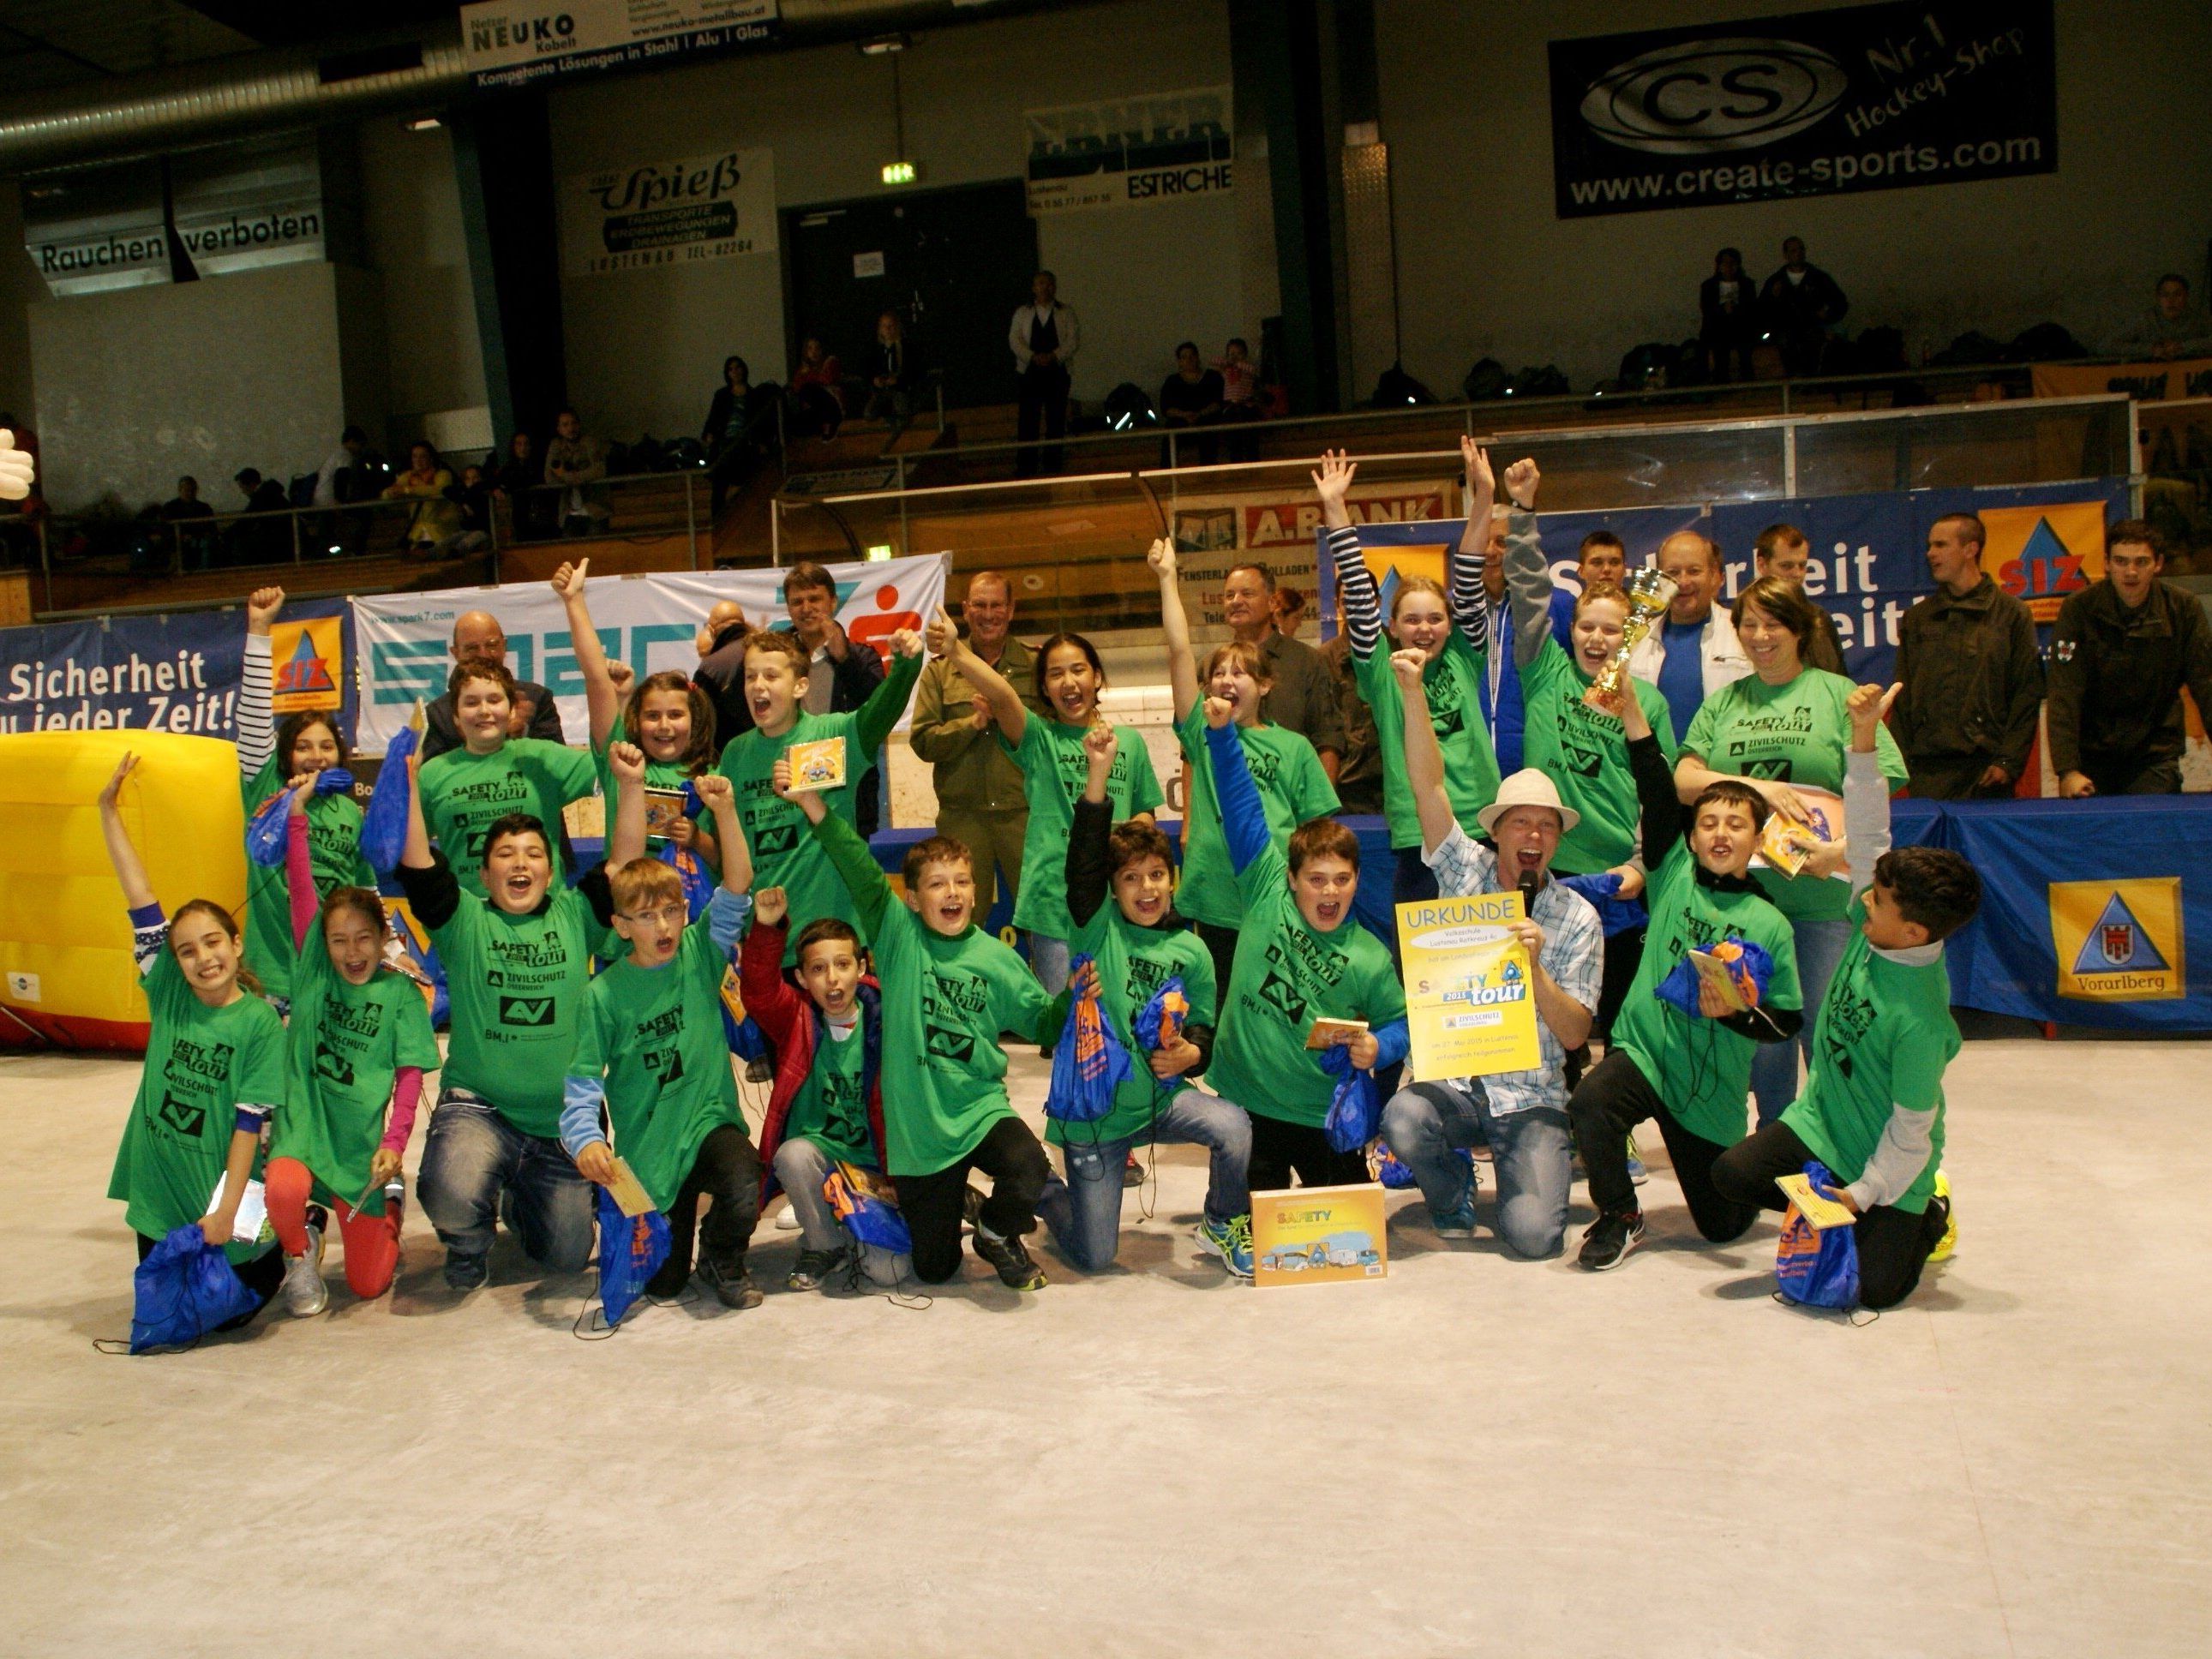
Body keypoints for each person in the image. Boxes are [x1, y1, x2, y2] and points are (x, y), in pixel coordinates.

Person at [1712, 682, 1973, 1310]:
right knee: (1730, 1177)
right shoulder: (1883, 920)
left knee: (1876, 1294)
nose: (1860, 899)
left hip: (1888, 1159)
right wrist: (1861, 736)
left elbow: (1911, 1133)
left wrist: (1859, 1195)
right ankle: (1840, 1195)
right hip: (1821, 1124)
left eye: (1876, 902)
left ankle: (1928, 1210)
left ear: (1912, 932)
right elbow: (1867, 827)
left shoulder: (1919, 1023)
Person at [790, 758, 1058, 1290]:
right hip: (919, 1135)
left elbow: (1045, 1026)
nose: (952, 892)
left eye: (962, 881)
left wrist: (1077, 993)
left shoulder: (997, 959)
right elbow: (857, 866)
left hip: (977, 1110)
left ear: (977, 891)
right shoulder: (898, 937)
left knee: (1029, 1166)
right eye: (937, 885)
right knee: (935, 1270)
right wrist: (812, 806)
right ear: (913, 899)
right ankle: (956, 1195)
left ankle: (998, 1232)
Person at [1568, 686, 1803, 1271]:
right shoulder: (1671, 868)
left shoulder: (1770, 922)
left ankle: (1764, 1165)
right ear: (1691, 835)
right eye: (1708, 823)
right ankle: (1619, 1215)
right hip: (1647, 1054)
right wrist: (1630, 713)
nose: (1720, 834)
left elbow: (1787, 1021)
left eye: (1736, 825)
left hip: (1708, 1091)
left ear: (1756, 841)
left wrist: (1741, 1013)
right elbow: (1652, 777)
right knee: (1592, 1099)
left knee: (1722, 1229)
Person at [1381, 644, 1602, 1259]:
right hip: (1455, 1080)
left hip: (1530, 1096)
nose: (1532, 836)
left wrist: (1533, 969)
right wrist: (1411, 692)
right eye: (1520, 823)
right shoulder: (1462, 871)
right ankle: (1451, 1188)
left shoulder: (1577, 917)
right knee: (1401, 1119)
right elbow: (1426, 783)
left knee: (1532, 1240)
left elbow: (1577, 1032)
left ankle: (1524, 1173)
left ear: (1557, 839)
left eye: (1546, 826)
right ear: (1497, 830)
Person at [1676, 577, 1909, 1125]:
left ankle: (1837, 1145)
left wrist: (1845, 855)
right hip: (1747, 905)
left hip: (1824, 904)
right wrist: (1757, 788)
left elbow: (1886, 787)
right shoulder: (1725, 703)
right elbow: (1686, 780)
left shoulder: (1836, 694)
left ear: (1801, 630)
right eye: (1748, 624)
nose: (1759, 636)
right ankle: (1775, 1149)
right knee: (1763, 1042)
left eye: (1773, 624)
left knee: (1830, 1035)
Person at [1034, 724, 1253, 1276]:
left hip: (1162, 1101)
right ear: (1112, 889)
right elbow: (1083, 861)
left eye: (1157, 874)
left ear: (1172, 879)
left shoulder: (1192, 950)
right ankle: (1045, 1191)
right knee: (1095, 1256)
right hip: (1097, 1119)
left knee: (1234, 1125)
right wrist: (1099, 774)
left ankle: (1224, 1220)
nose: (1147, 888)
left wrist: (1191, 1055)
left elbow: (1203, 1024)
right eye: (1131, 878)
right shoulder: (1095, 929)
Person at [397, 749, 608, 1291]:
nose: (520, 863)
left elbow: (625, 863)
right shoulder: (465, 920)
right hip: (481, 1109)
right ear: (485, 873)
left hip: (560, 1121)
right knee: (448, 1191)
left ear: (551, 868)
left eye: (534, 853)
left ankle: (519, 1196)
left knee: (566, 1256)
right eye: (506, 855)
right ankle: (468, 1241)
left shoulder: (574, 913)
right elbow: (420, 866)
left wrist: (628, 785)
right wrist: (410, 786)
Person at [562, 750, 763, 1309]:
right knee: (661, 1283)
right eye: (646, 916)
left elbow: (738, 885)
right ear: (621, 927)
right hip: (648, 1156)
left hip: (707, 1126)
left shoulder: (699, 951)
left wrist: (724, 811)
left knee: (744, 1180)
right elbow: (581, 1084)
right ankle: (671, 1244)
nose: (664, 925)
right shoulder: (602, 994)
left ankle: (722, 1257)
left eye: (672, 910)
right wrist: (585, 1140)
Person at [99, 752, 289, 1326]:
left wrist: (227, 1211)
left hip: (224, 1179)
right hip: (161, 1180)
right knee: (169, 1311)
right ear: (174, 963)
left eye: (213, 943)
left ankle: (297, 1228)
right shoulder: (169, 993)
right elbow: (139, 897)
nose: (203, 958)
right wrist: (107, 811)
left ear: (235, 943)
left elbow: (247, 1127)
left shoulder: (258, 1021)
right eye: (187, 950)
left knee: (232, 1313)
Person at [1498, 461, 1675, 1068]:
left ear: (1628, 636)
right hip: (1550, 869)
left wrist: (1638, 866)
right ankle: (1553, 1114)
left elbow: (1661, 797)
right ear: (1568, 630)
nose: (1595, 640)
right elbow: (1525, 591)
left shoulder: (1646, 702)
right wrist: (1521, 512)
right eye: (1585, 627)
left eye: (1609, 630)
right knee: (1550, 1008)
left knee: (1621, 1013)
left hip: (1617, 881)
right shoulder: (1543, 672)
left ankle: (1611, 1124)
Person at [1202, 696, 1408, 1191]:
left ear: (1358, 879)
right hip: (1248, 1105)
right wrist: (1222, 734)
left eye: (1342, 879)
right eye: (1317, 879)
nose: (1330, 891)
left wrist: (1380, 1046)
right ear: (1293, 879)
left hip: (1323, 1113)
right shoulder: (1265, 885)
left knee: (1350, 1240)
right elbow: (1241, 802)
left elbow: (1404, 1024)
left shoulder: (1370, 956)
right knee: (1254, 1240)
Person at [267, 781, 440, 1315]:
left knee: (367, 1285)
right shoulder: (313, 973)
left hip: (359, 1150)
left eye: (363, 937)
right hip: (302, 1129)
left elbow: (410, 1080)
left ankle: (385, 1204)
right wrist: (296, 819)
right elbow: (302, 891)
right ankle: (299, 1253)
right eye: (338, 940)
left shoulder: (400, 997)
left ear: (382, 937)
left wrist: (394, 1141)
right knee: (282, 1192)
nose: (351, 950)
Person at [930, 614, 1162, 997]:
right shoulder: (1039, 739)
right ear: (1044, 688)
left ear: (1097, 678)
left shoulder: (1129, 743)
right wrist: (956, 650)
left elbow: (1145, 815)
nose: (1068, 682)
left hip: (1120, 904)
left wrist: (1131, 832)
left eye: (1078, 670)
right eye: (1055, 674)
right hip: (1054, 907)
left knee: (1123, 1020)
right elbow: (1003, 696)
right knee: (1065, 1024)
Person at [1152, 538, 1339, 993]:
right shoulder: (1202, 732)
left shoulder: (1292, 747)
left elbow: (1317, 830)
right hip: (1215, 893)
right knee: (1217, 1003)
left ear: (1266, 684)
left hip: (1274, 894)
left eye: (1239, 673)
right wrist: (1167, 579)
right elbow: (1178, 650)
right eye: (1218, 673)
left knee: (1272, 1001)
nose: (1226, 681)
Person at [1324, 445, 1500, 909]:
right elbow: (1361, 598)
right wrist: (1335, 509)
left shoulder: (1465, 655)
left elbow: (1469, 571)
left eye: (1436, 619)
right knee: (1426, 970)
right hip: (1417, 829)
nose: (1425, 629)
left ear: (1451, 623)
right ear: (1394, 626)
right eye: (1413, 620)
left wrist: (1484, 497)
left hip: (1482, 825)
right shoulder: (1381, 669)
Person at [712, 620, 924, 963]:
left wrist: (907, 665)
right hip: (768, 944)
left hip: (833, 944)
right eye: (750, 676)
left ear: (800, 686)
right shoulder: (735, 754)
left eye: (771, 675)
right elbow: (727, 852)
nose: (758, 686)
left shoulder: (833, 737)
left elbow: (881, 712)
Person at [743, 889, 903, 1292]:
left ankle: (860, 1226)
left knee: (889, 1273)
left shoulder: (888, 1018)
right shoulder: (794, 1018)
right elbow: (758, 990)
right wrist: (766, 928)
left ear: (862, 967)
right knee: (791, 1155)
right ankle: (823, 1243)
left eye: (843, 965)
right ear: (800, 978)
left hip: (875, 1169)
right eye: (817, 969)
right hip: (820, 1159)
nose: (832, 979)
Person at [237, 587, 375, 1008]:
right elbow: (255, 718)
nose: (316, 756)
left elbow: (366, 889)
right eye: (303, 746)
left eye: (326, 746)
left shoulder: (351, 811)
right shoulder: (266, 792)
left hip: (333, 971)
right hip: (274, 976)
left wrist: (386, 951)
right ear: (285, 756)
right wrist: (259, 629)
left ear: (340, 754)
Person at [553, 560, 721, 887]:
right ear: (637, 720)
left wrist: (697, 837)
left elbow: (724, 862)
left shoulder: (711, 776)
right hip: (627, 915)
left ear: (694, 719)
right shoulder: (623, 762)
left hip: (691, 917)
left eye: (675, 715)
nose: (664, 726)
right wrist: (574, 600)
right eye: (652, 716)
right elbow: (596, 678)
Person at [908, 571, 1045, 921]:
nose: (988, 614)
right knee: (958, 919)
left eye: (997, 605)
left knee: (1043, 919)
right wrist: (971, 725)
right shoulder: (939, 672)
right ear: (965, 610)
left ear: (1011, 609)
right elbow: (923, 741)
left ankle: (1052, 980)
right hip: (963, 819)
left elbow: (1053, 734)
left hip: (1026, 815)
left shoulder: (1036, 664)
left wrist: (1013, 717)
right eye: (979, 605)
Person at [2048, 518, 2212, 797]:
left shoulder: (2183, 609)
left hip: (2154, 754)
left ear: (2158, 564)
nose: (2131, 572)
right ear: (2107, 564)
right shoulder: (2079, 609)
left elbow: (2206, 685)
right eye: (2121, 562)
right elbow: (2064, 694)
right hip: (2091, 756)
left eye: (2141, 562)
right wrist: (2067, 771)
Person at [416, 658, 597, 899]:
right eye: (471, 702)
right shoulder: (431, 774)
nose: (484, 710)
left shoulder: (542, 757)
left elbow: (612, 765)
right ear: (456, 716)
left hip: (546, 916)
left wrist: (610, 694)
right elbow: (406, 850)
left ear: (511, 709)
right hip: (468, 920)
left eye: (494, 700)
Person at [1892, 512, 2043, 800]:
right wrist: (1898, 762)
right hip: (1928, 771)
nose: (1930, 554)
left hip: (1987, 770)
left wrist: (2008, 761)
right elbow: (1903, 696)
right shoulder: (1919, 618)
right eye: (1929, 546)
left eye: (1940, 545)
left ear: (1970, 549)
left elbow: (2026, 694)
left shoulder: (2011, 614)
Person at [782, 561, 890, 836]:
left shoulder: (863, 658)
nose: (806, 608)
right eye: (797, 601)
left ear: (832, 601)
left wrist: (845, 660)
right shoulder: (774, 661)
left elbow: (879, 714)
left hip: (848, 792)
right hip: (787, 795)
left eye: (814, 599)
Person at [1218, 560, 1346, 781]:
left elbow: (1328, 741)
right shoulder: (1211, 667)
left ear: (1271, 603)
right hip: (1229, 805)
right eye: (1230, 596)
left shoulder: (1307, 661)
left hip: (1294, 804)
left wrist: (1321, 810)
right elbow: (1192, 751)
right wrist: (1190, 815)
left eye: (1247, 594)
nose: (1236, 601)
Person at [1627, 530, 1752, 742]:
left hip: (1720, 769)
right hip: (1654, 769)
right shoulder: (1636, 640)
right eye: (1673, 572)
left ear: (1715, 577)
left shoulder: (1743, 634)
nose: (1683, 582)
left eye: (1694, 571)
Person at [420, 608, 566, 760]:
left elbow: (557, 763)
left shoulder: (537, 698)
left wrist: (515, 737)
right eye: (472, 648)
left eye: (491, 645)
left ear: (504, 646)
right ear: (455, 653)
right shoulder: (436, 715)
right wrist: (475, 740)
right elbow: (435, 776)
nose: (483, 655)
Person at [1010, 270, 1079, 476]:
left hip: (1057, 371)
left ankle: (1053, 465)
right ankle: (1026, 466)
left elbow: (1073, 340)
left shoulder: (1065, 312)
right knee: (1028, 419)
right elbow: (1014, 340)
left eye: (1049, 284)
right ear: (1033, 288)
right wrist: (1032, 356)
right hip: (1029, 372)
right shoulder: (1022, 313)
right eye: (1040, 284)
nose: (1044, 288)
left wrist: (1054, 356)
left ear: (1054, 288)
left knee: (1056, 419)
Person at [1752, 523, 1844, 674]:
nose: (1797, 574)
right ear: (1762, 565)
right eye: (1786, 566)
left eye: (1802, 565)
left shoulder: (1819, 619)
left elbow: (1841, 680)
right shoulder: (1746, 621)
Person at [1759, 236, 1848, 377]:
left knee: (1815, 345)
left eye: (1801, 249)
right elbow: (1763, 308)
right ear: (1786, 254)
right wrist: (1774, 298)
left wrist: (1827, 315)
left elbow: (1840, 303)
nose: (1798, 253)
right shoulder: (1776, 281)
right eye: (1794, 250)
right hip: (1787, 329)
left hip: (1814, 327)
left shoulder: (1819, 278)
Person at [1316, 627, 1383, 814]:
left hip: (1395, 778)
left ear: (1377, 602)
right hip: (1347, 781)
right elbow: (1325, 725)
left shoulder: (1394, 647)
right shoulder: (1325, 657)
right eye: (1344, 602)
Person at [690, 599, 755, 758]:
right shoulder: (767, 650)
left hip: (728, 756)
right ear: (744, 623)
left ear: (712, 631)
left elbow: (700, 723)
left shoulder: (711, 666)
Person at [1545, 530, 1627, 652]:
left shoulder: (1639, 617)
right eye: (1597, 563)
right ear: (1581, 571)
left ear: (1625, 570)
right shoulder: (1566, 616)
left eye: (1614, 563)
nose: (1606, 569)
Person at [384, 440, 461, 558]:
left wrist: (408, 490)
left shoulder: (443, 475)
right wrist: (391, 493)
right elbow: (386, 494)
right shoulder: (407, 476)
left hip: (441, 533)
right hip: (417, 535)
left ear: (431, 458)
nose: (418, 460)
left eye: (423, 456)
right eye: (415, 456)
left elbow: (439, 490)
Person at [544, 408, 609, 536]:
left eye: (573, 423)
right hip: (569, 512)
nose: (570, 428)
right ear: (559, 429)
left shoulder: (589, 442)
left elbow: (599, 469)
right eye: (565, 424)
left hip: (594, 510)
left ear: (579, 425)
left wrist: (566, 476)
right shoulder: (556, 446)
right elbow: (549, 477)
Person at [1159, 340, 1226, 464]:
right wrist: (1184, 415)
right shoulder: (1172, 381)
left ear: (1197, 357)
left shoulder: (1212, 377)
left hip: (1207, 418)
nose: (1189, 360)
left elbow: (1218, 402)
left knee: (1208, 428)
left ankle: (1208, 470)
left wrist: (1200, 414)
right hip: (1180, 421)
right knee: (1171, 429)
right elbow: (1166, 408)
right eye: (1184, 357)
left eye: (1192, 356)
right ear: (1179, 361)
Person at [2120, 273, 2212, 361]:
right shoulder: (2146, 321)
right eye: (2165, 295)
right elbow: (2112, 346)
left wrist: (2184, 347)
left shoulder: (2198, 319)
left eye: (2177, 295)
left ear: (2186, 297)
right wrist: (2151, 350)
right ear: (2158, 298)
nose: (2171, 300)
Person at [1699, 247, 1759, 382]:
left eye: (1732, 263)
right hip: (1717, 328)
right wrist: (1722, 310)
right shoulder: (1709, 286)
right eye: (1725, 263)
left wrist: (1735, 311)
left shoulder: (1747, 285)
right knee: (1718, 348)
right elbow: (1707, 309)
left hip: (1741, 327)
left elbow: (1751, 308)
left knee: (1745, 348)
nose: (1729, 267)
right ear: (1719, 266)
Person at [864, 310, 920, 434]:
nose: (888, 329)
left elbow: (917, 370)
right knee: (869, 413)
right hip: (882, 390)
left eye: (891, 326)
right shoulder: (876, 350)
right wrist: (875, 379)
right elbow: (866, 369)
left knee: (902, 409)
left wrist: (899, 380)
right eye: (885, 326)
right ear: (880, 329)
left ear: (898, 327)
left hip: (901, 389)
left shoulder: (908, 347)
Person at [493, 430, 554, 542]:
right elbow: (497, 481)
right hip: (521, 516)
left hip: (542, 514)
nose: (523, 448)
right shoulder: (508, 468)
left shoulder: (540, 466)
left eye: (526, 444)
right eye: (519, 444)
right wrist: (498, 488)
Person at [788, 336, 844, 440]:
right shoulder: (803, 370)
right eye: (810, 348)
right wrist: (805, 374)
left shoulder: (830, 362)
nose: (814, 352)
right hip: (815, 410)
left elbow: (827, 379)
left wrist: (809, 374)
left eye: (817, 348)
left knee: (808, 389)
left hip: (832, 406)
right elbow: (796, 388)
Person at [1217, 336, 1262, 462]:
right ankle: (1235, 460)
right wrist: (1229, 362)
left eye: (1239, 353)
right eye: (1232, 353)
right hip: (1230, 407)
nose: (1235, 356)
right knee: (1233, 436)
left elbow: (1252, 370)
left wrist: (1237, 363)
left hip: (1246, 406)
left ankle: (1252, 460)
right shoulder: (1226, 370)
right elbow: (1214, 361)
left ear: (1245, 354)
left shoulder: (1247, 369)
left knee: (1249, 435)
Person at [161, 475, 218, 570]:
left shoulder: (204, 508)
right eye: (187, 490)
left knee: (207, 544)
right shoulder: (170, 508)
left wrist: (202, 535)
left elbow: (212, 528)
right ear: (180, 490)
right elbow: (165, 529)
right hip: (177, 542)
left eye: (193, 490)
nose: (190, 493)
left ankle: (205, 573)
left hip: (200, 540)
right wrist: (181, 536)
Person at [310, 425, 375, 509]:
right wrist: (339, 501)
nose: (361, 449)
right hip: (329, 500)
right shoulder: (345, 456)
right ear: (352, 441)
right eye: (360, 444)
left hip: (319, 499)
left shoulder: (337, 454)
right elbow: (341, 478)